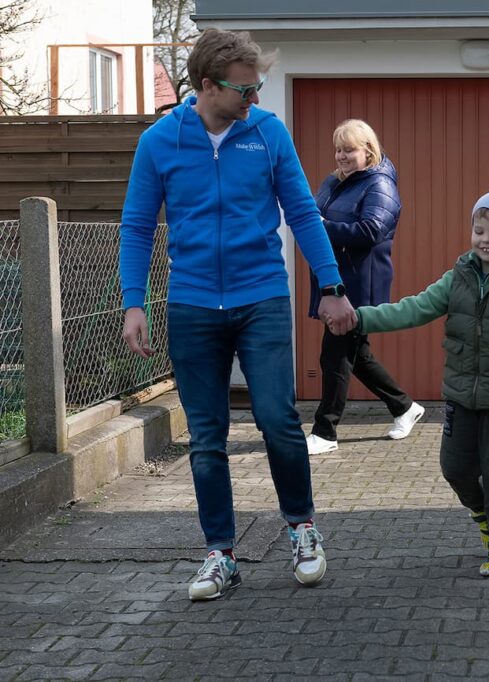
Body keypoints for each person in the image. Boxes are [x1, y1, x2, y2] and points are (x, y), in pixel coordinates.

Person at [120, 28, 356, 601]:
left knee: (277, 419)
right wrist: (133, 301)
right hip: (193, 305)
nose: (255, 100)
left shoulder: (268, 134)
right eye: (244, 91)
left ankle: (302, 528)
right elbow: (136, 225)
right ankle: (220, 554)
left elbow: (302, 212)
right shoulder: (160, 141)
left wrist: (332, 285)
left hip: (261, 298)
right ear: (206, 85)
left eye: (259, 89)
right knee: (207, 438)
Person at [345, 191, 489, 577]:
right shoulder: (458, 278)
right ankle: (482, 515)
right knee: (455, 468)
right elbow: (413, 308)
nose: (486, 239)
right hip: (461, 394)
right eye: (479, 230)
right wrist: (360, 318)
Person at [305, 119, 424, 455]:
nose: (341, 156)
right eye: (338, 149)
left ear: (368, 151)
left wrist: (324, 227)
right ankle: (404, 407)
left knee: (335, 355)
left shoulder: (380, 185)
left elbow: (372, 230)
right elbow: (311, 213)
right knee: (357, 356)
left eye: (349, 150)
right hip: (335, 279)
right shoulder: (336, 181)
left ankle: (325, 432)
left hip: (360, 284)